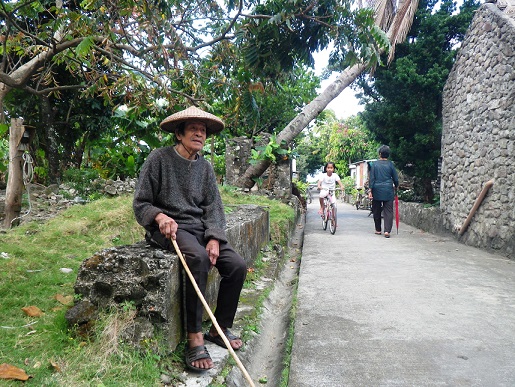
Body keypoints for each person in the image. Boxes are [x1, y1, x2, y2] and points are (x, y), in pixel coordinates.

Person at [133, 106, 247, 372]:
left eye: (203, 130)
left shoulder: (205, 168)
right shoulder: (158, 159)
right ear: (179, 133)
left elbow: (213, 209)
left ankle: (220, 329)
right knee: (197, 259)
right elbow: (141, 202)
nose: (199, 133)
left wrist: (214, 238)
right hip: (169, 229)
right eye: (193, 128)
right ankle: (194, 337)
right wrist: (159, 217)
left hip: (199, 228)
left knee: (236, 266)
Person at [368, 145, 399, 238]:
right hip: (388, 190)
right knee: (388, 211)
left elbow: (372, 179)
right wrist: (396, 186)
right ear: (388, 155)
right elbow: (395, 178)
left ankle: (378, 229)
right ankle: (387, 231)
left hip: (377, 190)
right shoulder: (391, 165)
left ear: (380, 154)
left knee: (376, 210)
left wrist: (370, 190)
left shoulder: (375, 164)